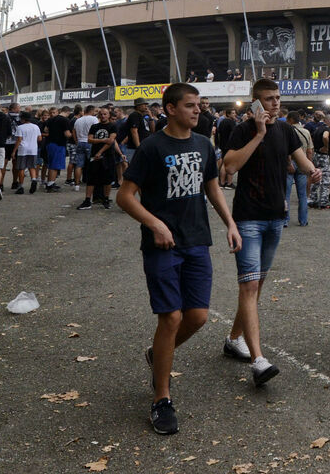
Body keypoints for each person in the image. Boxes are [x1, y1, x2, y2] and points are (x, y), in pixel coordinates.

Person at [116, 82, 242, 435]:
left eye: (199, 105)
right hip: (162, 246)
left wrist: (230, 224)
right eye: (190, 105)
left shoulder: (203, 144)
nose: (197, 110)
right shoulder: (152, 147)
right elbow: (125, 196)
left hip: (197, 240)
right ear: (170, 108)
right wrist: (155, 223)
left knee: (197, 317)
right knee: (171, 317)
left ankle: (157, 354)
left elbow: (212, 187)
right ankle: (162, 398)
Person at [220, 79, 320, 387]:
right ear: (255, 103)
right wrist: (260, 133)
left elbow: (301, 161)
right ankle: (258, 360)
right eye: (268, 99)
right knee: (250, 286)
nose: (275, 103)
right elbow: (230, 166)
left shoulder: (287, 131)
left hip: (276, 218)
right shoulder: (243, 130)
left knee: (256, 284)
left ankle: (234, 338)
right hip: (248, 218)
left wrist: (312, 171)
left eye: (277, 98)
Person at [80, 107, 121, 209]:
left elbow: (111, 141)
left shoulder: (113, 126)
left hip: (107, 156)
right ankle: (87, 200)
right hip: (94, 156)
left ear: (109, 115)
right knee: (91, 178)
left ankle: (106, 199)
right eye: (101, 114)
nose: (103, 116)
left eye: (105, 114)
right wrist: (103, 140)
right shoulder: (94, 126)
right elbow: (89, 140)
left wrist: (100, 151)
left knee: (107, 179)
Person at [11, 112, 43, 194]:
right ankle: (34, 179)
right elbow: (40, 138)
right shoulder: (35, 127)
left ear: (23, 119)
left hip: (23, 150)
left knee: (21, 168)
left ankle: (21, 186)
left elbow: (19, 140)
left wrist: (14, 151)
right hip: (33, 149)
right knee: (32, 167)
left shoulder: (20, 127)